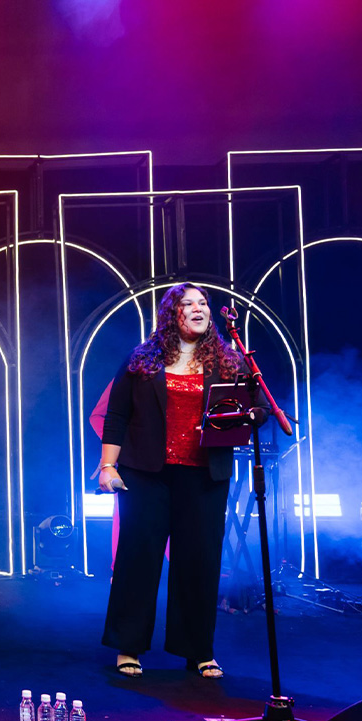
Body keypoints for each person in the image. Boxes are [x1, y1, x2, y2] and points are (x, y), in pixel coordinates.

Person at [97, 283, 266, 679]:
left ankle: (198, 650)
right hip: (146, 475)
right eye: (188, 303)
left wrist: (250, 418)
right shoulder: (142, 360)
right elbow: (117, 415)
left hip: (205, 476)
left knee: (200, 564)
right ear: (172, 313)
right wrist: (108, 467)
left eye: (203, 303)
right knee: (139, 561)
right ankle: (129, 647)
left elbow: (257, 406)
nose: (198, 308)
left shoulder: (229, 361)